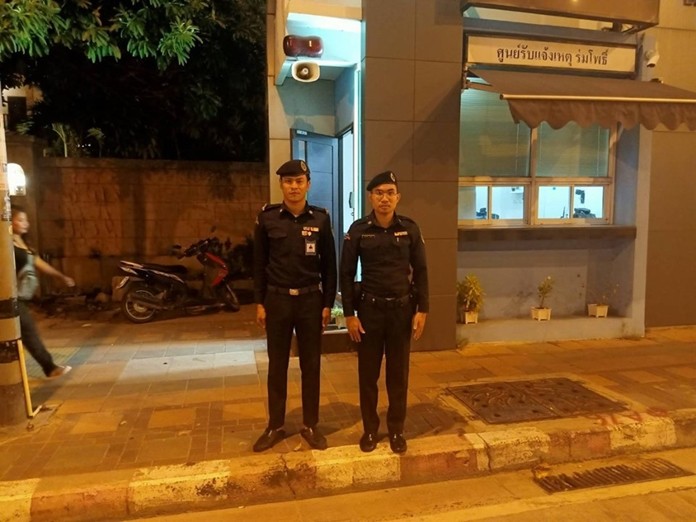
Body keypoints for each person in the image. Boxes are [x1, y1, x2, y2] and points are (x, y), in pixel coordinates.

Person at [340, 171, 428, 454]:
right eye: (379, 193)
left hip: (401, 312)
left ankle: (396, 429)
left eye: (390, 192)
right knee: (368, 375)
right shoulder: (358, 230)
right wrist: (350, 314)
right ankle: (370, 429)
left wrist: (423, 309)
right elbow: (346, 273)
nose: (385, 198)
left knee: (398, 375)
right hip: (369, 312)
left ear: (398, 197)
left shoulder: (410, 229)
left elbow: (421, 271)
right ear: (370, 197)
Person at [252, 159, 337, 452]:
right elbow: (259, 263)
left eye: (299, 181)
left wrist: (327, 304)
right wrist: (260, 302)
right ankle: (275, 425)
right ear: (281, 185)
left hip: (310, 302)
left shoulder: (321, 219)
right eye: (288, 181)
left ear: (308, 184)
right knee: (277, 366)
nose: (294, 187)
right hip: (277, 301)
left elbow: (330, 267)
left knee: (311, 365)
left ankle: (310, 424)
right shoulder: (267, 218)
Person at [11, 206, 74, 379]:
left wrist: (61, 276)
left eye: (26, 220)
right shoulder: (6, 245)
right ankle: (49, 367)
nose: (25, 223)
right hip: (11, 298)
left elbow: (39, 264)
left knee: (23, 333)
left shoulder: (23, 243)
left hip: (21, 297)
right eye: (20, 220)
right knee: (28, 331)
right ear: (9, 221)